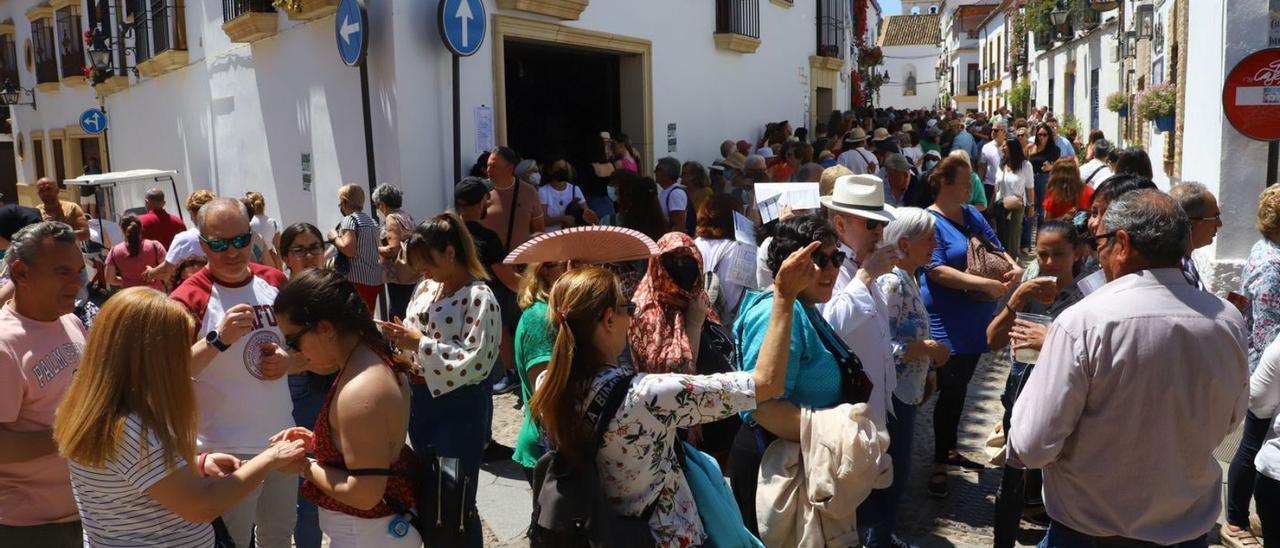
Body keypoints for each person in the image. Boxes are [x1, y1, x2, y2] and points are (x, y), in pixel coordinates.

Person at [529, 240, 811, 547]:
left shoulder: (547, 384)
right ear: (609, 319)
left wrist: (577, 284)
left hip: (594, 531)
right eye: (628, 307)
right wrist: (783, 296)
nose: (633, 316)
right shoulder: (648, 397)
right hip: (660, 538)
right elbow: (766, 383)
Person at [1009, 190, 1247, 547]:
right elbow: (1231, 419)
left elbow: (1030, 446)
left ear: (1121, 243)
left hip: (1089, 534)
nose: (1098, 252)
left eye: (1100, 241)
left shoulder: (1083, 322)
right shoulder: (1227, 320)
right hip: (1187, 532)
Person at [52, 287, 308, 547]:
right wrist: (270, 458)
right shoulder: (131, 426)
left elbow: (134, 477)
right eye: (176, 348)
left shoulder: (96, 404)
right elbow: (201, 505)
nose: (182, 358)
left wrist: (196, 464)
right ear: (148, 355)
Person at [169, 198, 297, 548]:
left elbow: (308, 350)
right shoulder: (187, 298)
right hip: (224, 449)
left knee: (279, 537)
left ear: (251, 236)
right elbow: (170, 373)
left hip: (279, 439)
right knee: (232, 542)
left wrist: (290, 360)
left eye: (240, 240)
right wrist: (217, 340)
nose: (232, 251)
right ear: (202, 243)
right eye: (219, 244)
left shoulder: (276, 282)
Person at [270, 270, 421, 547]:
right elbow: (373, 450)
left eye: (293, 341)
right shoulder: (371, 354)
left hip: (368, 534)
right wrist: (319, 443)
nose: (292, 352)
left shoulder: (360, 391)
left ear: (325, 328)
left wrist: (305, 466)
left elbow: (364, 494)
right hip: (376, 530)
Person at [380, 213, 499, 547]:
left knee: (456, 498)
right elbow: (419, 337)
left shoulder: (480, 296)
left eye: (427, 263)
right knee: (430, 494)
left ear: (450, 252)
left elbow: (476, 361)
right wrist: (403, 349)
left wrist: (418, 344)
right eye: (418, 265)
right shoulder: (427, 285)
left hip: (458, 407)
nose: (423, 272)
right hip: (420, 404)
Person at [728, 215, 848, 535]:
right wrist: (840, 435)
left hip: (797, 461)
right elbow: (763, 405)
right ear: (788, 264)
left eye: (837, 257)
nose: (832, 269)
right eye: (819, 259)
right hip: (772, 467)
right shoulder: (776, 312)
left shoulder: (804, 305)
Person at [921, 156, 1020, 498]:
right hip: (947, 316)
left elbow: (998, 247)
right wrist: (983, 285)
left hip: (976, 313)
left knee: (960, 385)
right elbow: (934, 270)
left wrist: (1013, 269)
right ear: (946, 183)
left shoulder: (972, 214)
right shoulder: (929, 222)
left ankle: (950, 449)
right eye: (965, 181)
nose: (972, 186)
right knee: (948, 389)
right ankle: (938, 462)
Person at [986, 221, 1088, 547]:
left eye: (1058, 254)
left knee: (1061, 481)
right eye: (1043, 254)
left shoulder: (1086, 300)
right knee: (1012, 479)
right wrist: (1017, 298)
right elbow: (992, 340)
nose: (1049, 262)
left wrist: (1052, 342)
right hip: (1020, 394)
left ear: (1076, 253)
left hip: (1062, 402)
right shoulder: (1030, 293)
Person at [867, 208, 951, 547]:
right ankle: (878, 539)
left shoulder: (909, 277)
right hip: (892, 394)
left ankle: (884, 535)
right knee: (891, 471)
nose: (936, 244)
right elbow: (881, 344)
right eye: (929, 238)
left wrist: (928, 369)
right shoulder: (892, 283)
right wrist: (927, 350)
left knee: (898, 470)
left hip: (908, 390)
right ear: (904, 243)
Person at [0, 222, 86, 547]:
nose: (77, 283)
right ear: (21, 273)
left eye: (79, 271)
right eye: (62, 272)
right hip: (30, 529)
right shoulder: (4, 345)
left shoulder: (72, 321)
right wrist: (77, 434)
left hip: (85, 512)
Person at [1225, 184, 1280, 548]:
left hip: (1266, 362)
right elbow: (1267, 324)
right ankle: (1235, 520)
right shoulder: (1273, 264)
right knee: (1253, 444)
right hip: (1267, 366)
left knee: (1256, 442)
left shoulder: (1266, 250)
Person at [819, 174, 899, 424]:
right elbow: (830, 325)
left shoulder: (861, 263)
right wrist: (867, 275)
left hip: (874, 406)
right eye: (871, 223)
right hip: (846, 414)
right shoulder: (824, 266)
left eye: (882, 224)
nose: (879, 231)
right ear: (840, 225)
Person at [275, 221, 330, 548]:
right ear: (286, 257)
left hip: (336, 389)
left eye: (315, 247)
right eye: (300, 249)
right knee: (307, 485)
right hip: (302, 392)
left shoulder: (337, 289)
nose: (309, 255)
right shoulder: (280, 296)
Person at [454, 177, 522, 398]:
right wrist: (532, 288)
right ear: (479, 202)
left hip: (453, 302)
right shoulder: (487, 238)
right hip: (487, 300)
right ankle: (511, 374)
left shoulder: (447, 232)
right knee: (500, 334)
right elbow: (507, 277)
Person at [511, 260, 568, 482]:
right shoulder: (540, 317)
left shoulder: (557, 312)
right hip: (547, 450)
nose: (573, 269)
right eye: (566, 264)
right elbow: (546, 396)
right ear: (544, 269)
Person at [694, 195, 758, 327]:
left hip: (696, 324)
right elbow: (752, 291)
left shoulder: (692, 245)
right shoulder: (744, 249)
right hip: (729, 328)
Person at [329, 184, 384, 312]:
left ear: (344, 202)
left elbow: (349, 250)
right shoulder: (372, 221)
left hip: (356, 279)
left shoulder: (350, 220)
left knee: (354, 320)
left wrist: (334, 237)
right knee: (367, 317)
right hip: (374, 279)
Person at [144, 190, 215, 285]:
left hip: (195, 289)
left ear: (192, 213)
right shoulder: (228, 234)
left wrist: (150, 273)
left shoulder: (185, 238)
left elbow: (166, 271)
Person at [372, 183, 420, 321]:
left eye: (377, 205)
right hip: (412, 270)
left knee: (397, 310)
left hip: (399, 274)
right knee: (408, 307)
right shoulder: (406, 215)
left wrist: (374, 249)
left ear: (382, 204)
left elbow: (393, 249)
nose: (377, 208)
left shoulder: (391, 218)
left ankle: (396, 341)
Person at [1166, 182, 1221, 291]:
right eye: (1215, 217)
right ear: (1190, 224)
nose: (1220, 224)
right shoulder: (1177, 268)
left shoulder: (1183, 260)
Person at [992, 138, 1035, 261]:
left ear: (1013, 148)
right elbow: (997, 186)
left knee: (1012, 240)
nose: (1002, 148)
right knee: (1000, 239)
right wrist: (991, 204)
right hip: (1000, 206)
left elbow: (1030, 188)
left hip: (1016, 207)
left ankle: (1011, 266)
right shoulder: (1001, 164)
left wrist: (1031, 206)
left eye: (1005, 146)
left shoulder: (1025, 166)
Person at [105, 213, 167, 290]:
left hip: (131, 295)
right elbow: (166, 272)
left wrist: (126, 282)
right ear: (141, 228)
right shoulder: (155, 246)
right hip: (154, 294)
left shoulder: (114, 251)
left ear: (122, 231)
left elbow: (110, 279)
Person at [539, 159, 588, 231]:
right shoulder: (543, 191)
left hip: (571, 235)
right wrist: (563, 218)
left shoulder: (575, 189)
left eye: (564, 168)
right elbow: (542, 220)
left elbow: (587, 212)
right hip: (552, 235)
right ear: (550, 170)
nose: (562, 170)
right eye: (558, 168)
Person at [655, 157, 689, 233]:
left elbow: (679, 225)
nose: (654, 172)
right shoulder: (666, 191)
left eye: (657, 169)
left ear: (665, 173)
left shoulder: (675, 194)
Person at [245, 191, 281, 256]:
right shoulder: (273, 223)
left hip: (254, 259)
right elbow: (278, 248)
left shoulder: (247, 224)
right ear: (263, 205)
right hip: (271, 260)